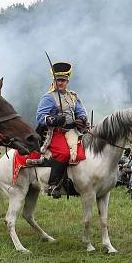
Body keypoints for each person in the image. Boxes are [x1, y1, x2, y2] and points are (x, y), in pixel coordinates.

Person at [35, 61, 88, 198]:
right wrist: (54, 119)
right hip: (56, 132)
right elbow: (40, 117)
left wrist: (81, 119)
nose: (61, 83)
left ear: (67, 81)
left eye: (63, 80)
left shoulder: (73, 96)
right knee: (64, 153)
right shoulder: (48, 97)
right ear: (54, 80)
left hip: (73, 131)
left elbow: (80, 111)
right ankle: (53, 185)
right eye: (58, 80)